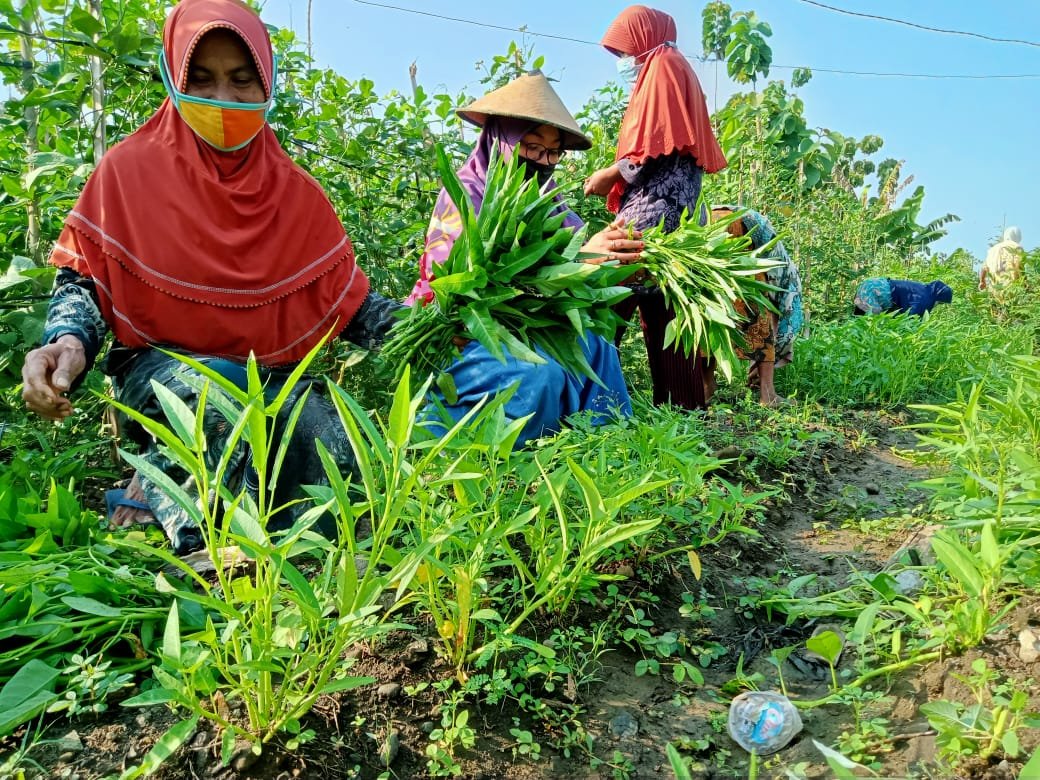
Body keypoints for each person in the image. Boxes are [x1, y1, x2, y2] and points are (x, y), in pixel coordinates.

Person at [21, 0, 401, 555]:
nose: (222, 100)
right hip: (161, 368)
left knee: (325, 436)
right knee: (213, 404)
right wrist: (68, 344)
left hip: (272, 378)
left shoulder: (297, 198)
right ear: (172, 77)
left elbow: (352, 307)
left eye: (242, 81)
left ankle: (300, 560)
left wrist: (442, 324)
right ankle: (212, 559)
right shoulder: (128, 173)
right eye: (201, 80)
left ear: (268, 81)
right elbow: (84, 282)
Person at [408, 71, 640, 445]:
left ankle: (604, 445)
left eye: (552, 153)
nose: (543, 160)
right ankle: (505, 458)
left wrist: (617, 260)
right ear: (503, 141)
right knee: (540, 374)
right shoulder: (465, 196)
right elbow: (463, 289)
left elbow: (577, 258)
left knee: (597, 344)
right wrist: (580, 258)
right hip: (466, 333)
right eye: (532, 147)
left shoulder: (547, 199)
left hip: (525, 327)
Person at [584, 5, 728, 411]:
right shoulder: (674, 68)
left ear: (643, 39)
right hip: (675, 223)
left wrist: (611, 174)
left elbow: (656, 142)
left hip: (652, 218)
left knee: (602, 309)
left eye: (626, 51)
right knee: (666, 320)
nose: (624, 62)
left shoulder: (664, 65)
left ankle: (587, 411)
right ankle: (682, 416)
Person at [710, 207, 804, 407]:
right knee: (760, 315)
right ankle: (767, 394)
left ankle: (706, 387)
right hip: (739, 228)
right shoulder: (790, 290)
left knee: (712, 307)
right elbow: (776, 327)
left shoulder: (784, 267)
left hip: (709, 222)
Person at [853, 278, 953, 317]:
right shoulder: (925, 300)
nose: (937, 305)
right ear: (938, 298)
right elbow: (911, 319)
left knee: (859, 320)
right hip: (875, 291)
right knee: (872, 323)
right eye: (940, 303)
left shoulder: (923, 289)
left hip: (871, 284)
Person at [980, 226, 1024, 297]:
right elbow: (1019, 266)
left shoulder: (993, 249)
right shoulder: (1017, 247)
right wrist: (1025, 283)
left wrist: (982, 282)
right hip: (1011, 291)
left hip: (995, 292)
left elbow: (983, 268)